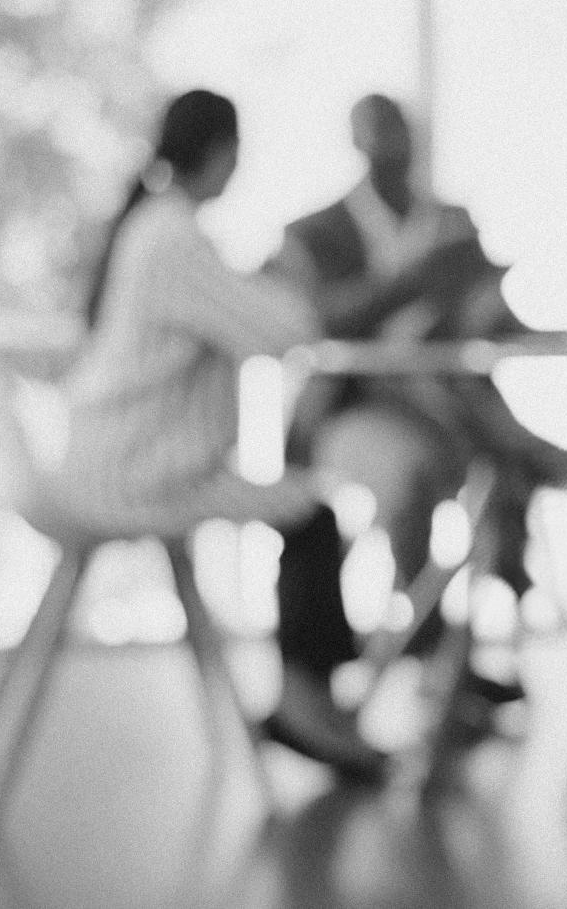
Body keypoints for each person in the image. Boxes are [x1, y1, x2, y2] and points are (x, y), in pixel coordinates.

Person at [56, 89, 386, 780]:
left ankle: (311, 699)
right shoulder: (175, 237)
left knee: (307, 510)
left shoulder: (155, 227)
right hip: (140, 476)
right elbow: (287, 332)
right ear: (220, 153)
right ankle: (305, 703)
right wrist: (288, 277)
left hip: (121, 462)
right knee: (311, 515)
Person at [267, 95, 567, 735]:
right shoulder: (314, 233)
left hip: (455, 406)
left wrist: (488, 303)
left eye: (403, 138)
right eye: (380, 139)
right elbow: (314, 325)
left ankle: (455, 651)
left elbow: (495, 317)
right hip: (365, 412)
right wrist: (416, 281)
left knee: (500, 483)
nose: (395, 153)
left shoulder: (453, 223)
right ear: (357, 144)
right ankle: (426, 645)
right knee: (415, 483)